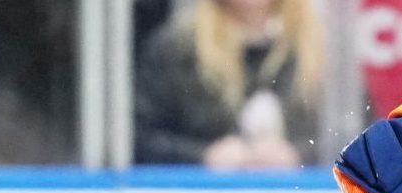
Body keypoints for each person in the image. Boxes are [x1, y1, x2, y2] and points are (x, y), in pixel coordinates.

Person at [135, 0, 324, 169]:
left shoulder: (324, 50)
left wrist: (299, 155)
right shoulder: (176, 49)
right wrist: (203, 156)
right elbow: (141, 137)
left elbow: (345, 134)